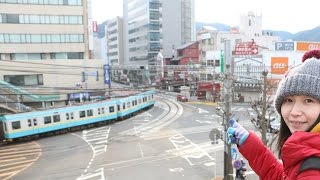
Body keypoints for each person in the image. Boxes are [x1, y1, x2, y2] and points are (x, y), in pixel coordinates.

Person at [227, 49, 320, 179]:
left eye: (308, 100)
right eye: (288, 100)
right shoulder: (307, 154)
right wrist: (250, 144)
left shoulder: (313, 170)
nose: (294, 112)